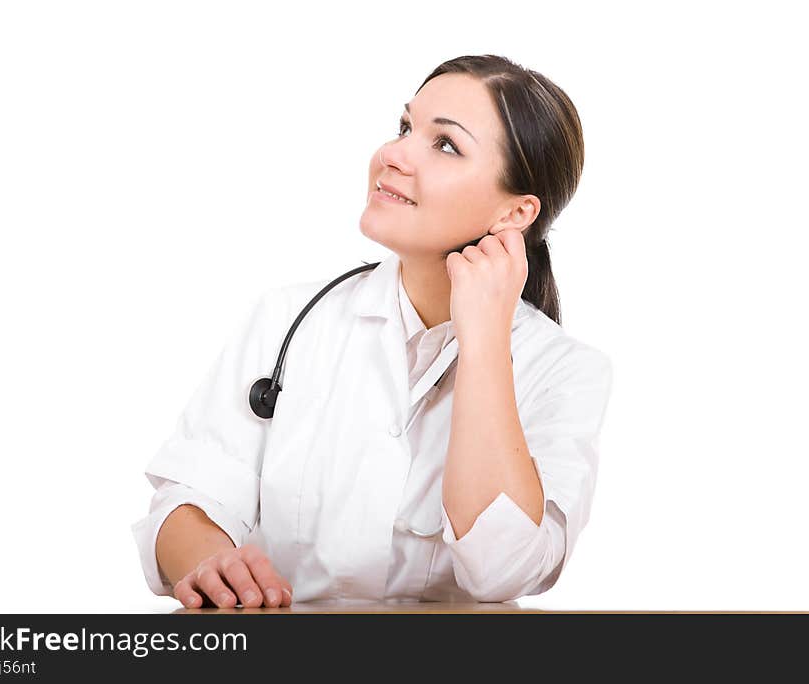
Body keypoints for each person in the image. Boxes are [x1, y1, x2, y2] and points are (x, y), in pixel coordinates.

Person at [131, 54, 613, 609]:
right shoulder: (287, 318)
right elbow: (187, 498)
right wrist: (210, 561)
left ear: (515, 213)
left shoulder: (566, 371)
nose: (394, 154)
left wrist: (484, 344)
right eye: (405, 127)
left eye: (446, 144)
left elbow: (500, 572)